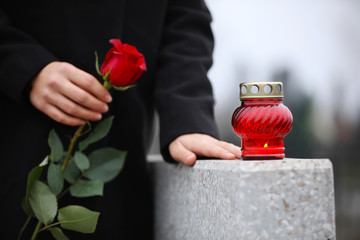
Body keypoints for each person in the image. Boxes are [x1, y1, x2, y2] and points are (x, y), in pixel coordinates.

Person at [0, 0, 241, 239]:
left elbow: (184, 19)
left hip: (122, 163)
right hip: (17, 137)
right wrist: (24, 67)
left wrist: (187, 119)